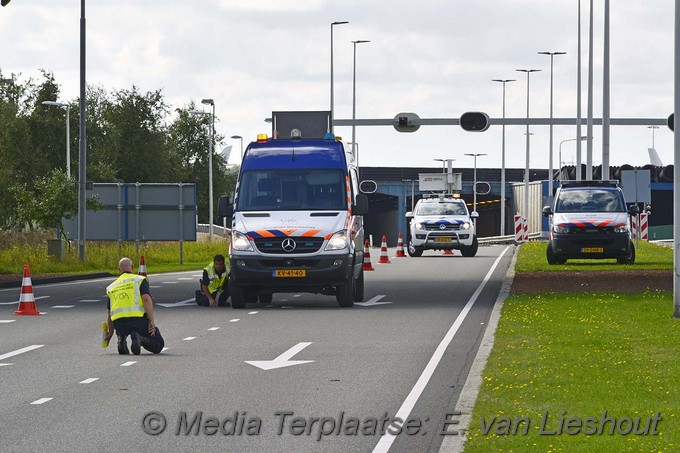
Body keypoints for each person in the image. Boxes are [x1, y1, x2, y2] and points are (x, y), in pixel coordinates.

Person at [104, 257, 164, 355]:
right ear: (132, 267)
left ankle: (121, 339)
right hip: (138, 322)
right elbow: (146, 299)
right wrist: (152, 321)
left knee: (122, 327)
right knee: (158, 344)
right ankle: (140, 338)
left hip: (119, 325)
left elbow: (109, 312)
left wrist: (110, 333)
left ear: (119, 270)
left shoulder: (112, 287)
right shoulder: (139, 280)